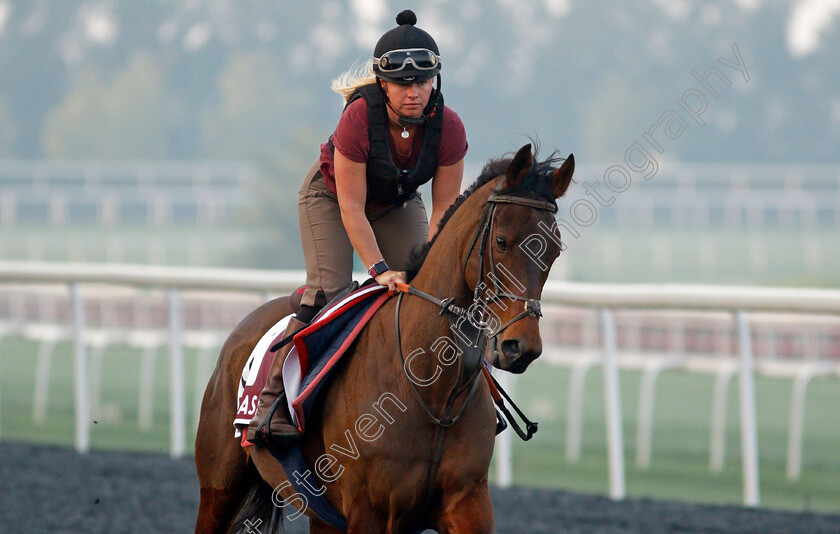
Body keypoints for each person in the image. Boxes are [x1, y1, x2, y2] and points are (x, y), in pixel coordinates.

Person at [248, 9, 468, 446]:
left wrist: (428, 267)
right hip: (331, 199)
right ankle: (272, 403)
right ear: (382, 84)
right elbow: (351, 208)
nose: (414, 93)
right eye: (403, 84)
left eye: (422, 82)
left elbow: (445, 210)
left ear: (435, 82)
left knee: (428, 291)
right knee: (330, 297)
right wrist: (379, 268)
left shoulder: (449, 128)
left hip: (396, 203)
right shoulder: (357, 119)